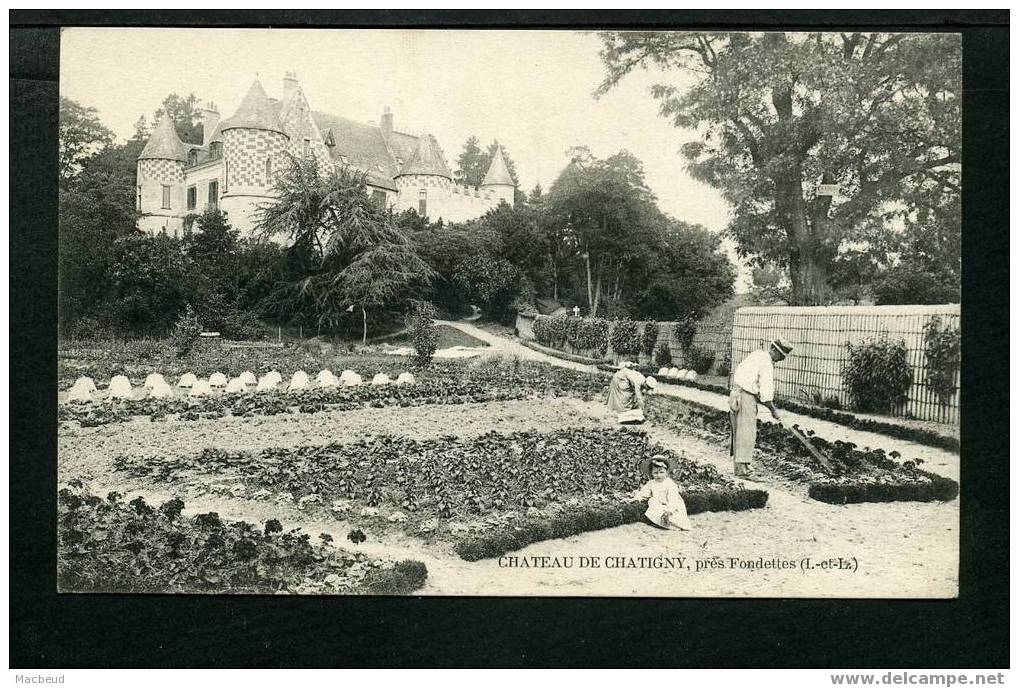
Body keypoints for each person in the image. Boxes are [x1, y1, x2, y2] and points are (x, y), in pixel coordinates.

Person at [729, 337, 794, 480]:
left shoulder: (757, 354)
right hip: (745, 398)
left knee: (739, 431)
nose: (781, 360)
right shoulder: (767, 364)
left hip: (735, 394)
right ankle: (743, 471)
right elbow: (765, 394)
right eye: (781, 356)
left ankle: (740, 467)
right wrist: (773, 410)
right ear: (774, 351)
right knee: (747, 433)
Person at [634, 455, 691, 530]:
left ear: (667, 472)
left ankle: (669, 522)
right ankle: (659, 522)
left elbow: (673, 499)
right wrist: (636, 498)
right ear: (651, 473)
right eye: (655, 473)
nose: (659, 475)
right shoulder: (651, 483)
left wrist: (669, 510)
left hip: (672, 506)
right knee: (652, 500)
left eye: (661, 472)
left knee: (674, 515)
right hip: (660, 505)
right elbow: (644, 493)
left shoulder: (669, 483)